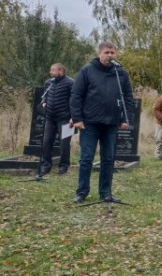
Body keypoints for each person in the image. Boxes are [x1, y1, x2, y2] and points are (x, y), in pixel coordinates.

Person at [69, 42, 135, 204]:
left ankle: (105, 192)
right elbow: (76, 95)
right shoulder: (87, 70)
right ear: (99, 54)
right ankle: (82, 192)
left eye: (113, 52)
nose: (110, 55)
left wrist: (126, 119)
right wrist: (77, 119)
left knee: (108, 158)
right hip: (90, 122)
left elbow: (127, 97)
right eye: (107, 52)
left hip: (111, 123)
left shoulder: (120, 73)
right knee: (86, 158)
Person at [36, 63, 74, 180]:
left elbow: (75, 99)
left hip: (66, 119)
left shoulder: (71, 83)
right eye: (50, 70)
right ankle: (46, 166)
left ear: (61, 71)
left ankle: (63, 166)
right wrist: (43, 102)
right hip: (50, 118)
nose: (50, 72)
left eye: (53, 70)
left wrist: (74, 117)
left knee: (64, 144)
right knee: (46, 142)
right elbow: (45, 96)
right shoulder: (49, 82)